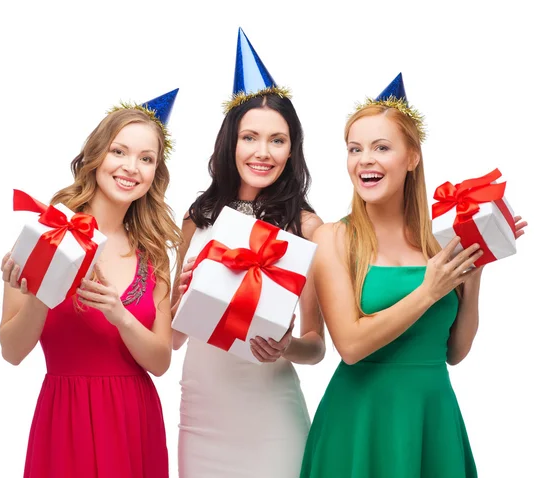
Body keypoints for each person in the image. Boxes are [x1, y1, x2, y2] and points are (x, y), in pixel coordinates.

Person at [300, 73, 527, 478]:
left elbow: (454, 353)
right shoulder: (334, 239)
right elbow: (350, 346)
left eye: (381, 147)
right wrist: (428, 291)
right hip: (360, 423)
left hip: (432, 417)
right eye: (355, 149)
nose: (364, 159)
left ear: (412, 157)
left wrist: (473, 278)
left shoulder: (440, 242)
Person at [0, 89, 182, 478]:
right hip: (65, 422)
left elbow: (161, 361)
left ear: (154, 175)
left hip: (135, 421)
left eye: (146, 159)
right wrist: (40, 295)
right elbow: (12, 352)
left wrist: (120, 315)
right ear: (96, 156)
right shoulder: (46, 235)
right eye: (119, 151)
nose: (131, 167)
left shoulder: (154, 254)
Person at [173, 28, 325, 478]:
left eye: (277, 140)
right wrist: (176, 303)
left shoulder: (308, 228)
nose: (263, 152)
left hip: (270, 415)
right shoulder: (197, 218)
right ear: (230, 142)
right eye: (250, 138)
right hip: (202, 416)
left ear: (292, 149)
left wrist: (285, 347)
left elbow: (316, 346)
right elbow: (173, 337)